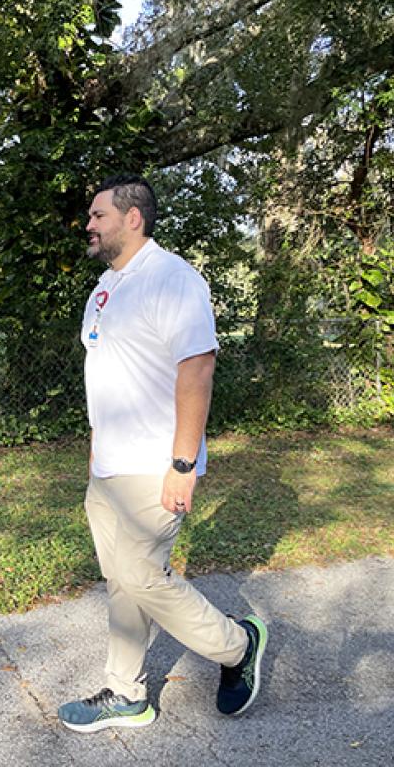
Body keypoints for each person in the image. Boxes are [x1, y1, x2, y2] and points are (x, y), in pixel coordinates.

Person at [58, 174, 267, 733]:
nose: (89, 224)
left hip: (156, 462)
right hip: (110, 467)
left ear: (133, 218)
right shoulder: (106, 286)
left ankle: (236, 646)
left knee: (141, 574)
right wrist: (98, 450)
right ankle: (126, 694)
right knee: (123, 582)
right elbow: (107, 371)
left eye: (98, 215)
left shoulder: (173, 279)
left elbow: (197, 366)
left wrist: (182, 464)